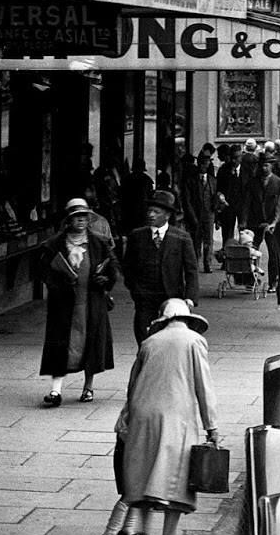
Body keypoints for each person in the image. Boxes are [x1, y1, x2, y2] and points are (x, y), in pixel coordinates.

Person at [115, 299, 220, 535]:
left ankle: (142, 531)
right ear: (187, 319)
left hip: (143, 414)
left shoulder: (149, 343)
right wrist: (212, 426)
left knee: (145, 476)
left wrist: (128, 417)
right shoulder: (194, 341)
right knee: (177, 480)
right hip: (176, 416)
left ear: (163, 319)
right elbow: (203, 385)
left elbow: (132, 384)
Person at [37, 198, 118, 407]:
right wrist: (58, 283)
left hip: (91, 302)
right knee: (60, 344)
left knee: (91, 344)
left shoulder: (99, 242)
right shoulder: (55, 243)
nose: (81, 220)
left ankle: (88, 387)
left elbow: (112, 268)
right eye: (76, 217)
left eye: (84, 216)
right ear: (68, 220)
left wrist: (105, 280)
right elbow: (44, 270)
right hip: (63, 304)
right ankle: (56, 391)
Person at [120, 190, 199, 345]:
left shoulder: (181, 237)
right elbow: (127, 266)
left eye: (156, 211)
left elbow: (191, 270)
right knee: (143, 336)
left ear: (167, 215)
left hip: (172, 296)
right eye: (149, 211)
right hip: (145, 297)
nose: (151, 215)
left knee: (171, 338)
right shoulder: (137, 236)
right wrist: (135, 289)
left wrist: (189, 298)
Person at [178, 150, 215, 274]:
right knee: (195, 240)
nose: (204, 165)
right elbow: (187, 200)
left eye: (206, 163)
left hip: (209, 214)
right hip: (195, 214)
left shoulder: (212, 181)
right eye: (202, 163)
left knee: (209, 240)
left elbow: (215, 198)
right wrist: (191, 215)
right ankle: (194, 264)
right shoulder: (190, 180)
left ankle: (207, 264)